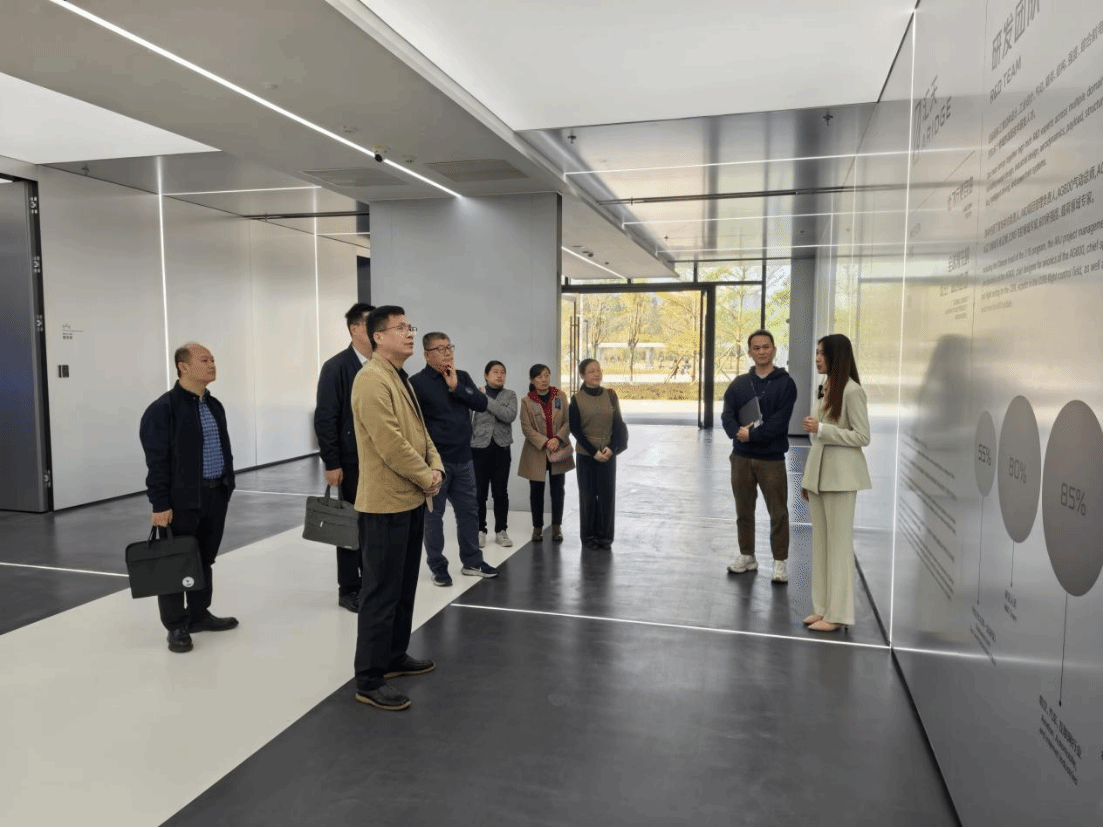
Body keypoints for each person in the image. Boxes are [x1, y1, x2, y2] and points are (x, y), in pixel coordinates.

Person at [351, 306, 443, 711]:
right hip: (385, 505)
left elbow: (421, 434)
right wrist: (426, 476)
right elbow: (389, 443)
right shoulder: (371, 379)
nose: (409, 334)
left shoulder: (399, 376)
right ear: (378, 337)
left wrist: (436, 467)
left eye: (410, 327)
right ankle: (369, 678)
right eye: (401, 328)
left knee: (404, 587)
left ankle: (392, 656)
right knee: (381, 593)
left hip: (410, 499)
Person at [139, 343, 238, 654]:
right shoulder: (163, 409)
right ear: (183, 367)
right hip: (182, 501)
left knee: (204, 559)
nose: (212, 364)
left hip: (215, 494)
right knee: (176, 563)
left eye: (213, 359)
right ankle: (176, 626)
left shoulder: (214, 405)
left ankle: (198, 614)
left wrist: (227, 486)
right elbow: (157, 462)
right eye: (204, 359)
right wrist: (159, 504)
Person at [409, 332, 500, 585]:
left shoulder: (462, 377)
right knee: (433, 517)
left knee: (469, 512)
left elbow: (481, 403)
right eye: (441, 348)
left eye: (450, 347)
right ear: (427, 355)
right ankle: (438, 567)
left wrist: (456, 386)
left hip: (464, 459)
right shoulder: (416, 383)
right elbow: (412, 424)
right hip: (435, 464)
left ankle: (472, 561)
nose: (448, 352)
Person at [800, 333, 871, 633]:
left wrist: (823, 429)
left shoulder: (853, 391)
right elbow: (818, 442)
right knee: (821, 545)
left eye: (822, 353)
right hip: (820, 478)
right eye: (817, 352)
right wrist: (808, 479)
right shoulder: (826, 386)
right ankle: (823, 608)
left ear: (836, 357)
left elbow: (862, 436)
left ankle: (839, 613)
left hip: (841, 480)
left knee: (839, 547)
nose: (817, 358)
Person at [720, 329, 798, 583]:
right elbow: (727, 415)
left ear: (774, 349)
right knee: (743, 510)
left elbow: (779, 423)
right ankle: (747, 556)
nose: (762, 351)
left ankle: (780, 562)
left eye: (766, 347)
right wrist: (737, 433)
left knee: (778, 512)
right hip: (741, 457)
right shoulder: (739, 384)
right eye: (756, 348)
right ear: (750, 352)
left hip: (771, 458)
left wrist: (751, 435)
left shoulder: (786, 384)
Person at [314, 302, 374, 612]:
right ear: (354, 329)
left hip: (378, 462)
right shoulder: (336, 367)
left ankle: (370, 582)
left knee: (373, 525)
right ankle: (349, 588)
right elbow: (326, 417)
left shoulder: (382, 365)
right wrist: (332, 462)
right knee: (350, 525)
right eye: (371, 323)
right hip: (350, 461)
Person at [569, 359, 627, 550]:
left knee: (607, 496)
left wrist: (611, 447)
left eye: (598, 370)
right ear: (582, 375)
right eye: (591, 371)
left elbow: (618, 423)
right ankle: (588, 538)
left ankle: (605, 537)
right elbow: (576, 430)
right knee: (587, 497)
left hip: (608, 453)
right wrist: (593, 452)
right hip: (586, 455)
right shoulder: (576, 399)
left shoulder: (610, 395)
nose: (596, 374)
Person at [518, 364, 574, 542]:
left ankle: (557, 526)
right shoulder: (527, 401)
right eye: (539, 377)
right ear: (532, 380)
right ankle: (537, 528)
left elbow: (568, 421)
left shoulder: (560, 396)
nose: (544, 379)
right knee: (536, 491)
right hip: (536, 451)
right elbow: (526, 428)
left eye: (546, 375)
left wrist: (557, 438)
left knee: (558, 490)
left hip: (558, 448)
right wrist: (545, 442)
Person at [470, 360, 518, 549]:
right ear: (486, 375)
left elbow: (508, 416)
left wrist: (486, 399)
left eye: (502, 372)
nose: (499, 375)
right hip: (478, 448)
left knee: (500, 492)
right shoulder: (475, 394)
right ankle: (480, 530)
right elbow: (468, 418)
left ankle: (501, 531)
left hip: (501, 449)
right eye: (495, 371)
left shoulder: (510, 395)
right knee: (479, 493)